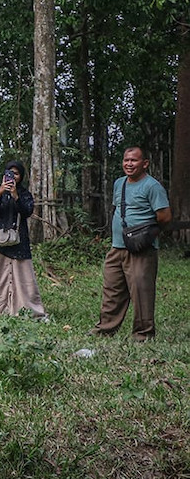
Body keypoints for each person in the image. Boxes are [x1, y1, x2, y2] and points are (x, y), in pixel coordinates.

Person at [93, 146, 170, 341]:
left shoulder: (152, 186)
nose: (129, 164)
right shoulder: (119, 183)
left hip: (141, 248)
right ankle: (106, 329)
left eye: (134, 160)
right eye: (126, 160)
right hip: (117, 246)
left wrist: (144, 233)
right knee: (111, 289)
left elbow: (164, 216)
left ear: (145, 163)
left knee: (141, 291)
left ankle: (143, 334)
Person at [0, 160, 46, 319]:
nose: (12, 176)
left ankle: (24, 307)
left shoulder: (24, 193)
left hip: (19, 240)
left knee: (23, 276)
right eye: (9, 173)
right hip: (0, 240)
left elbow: (27, 211)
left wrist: (15, 195)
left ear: (21, 176)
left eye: (16, 173)